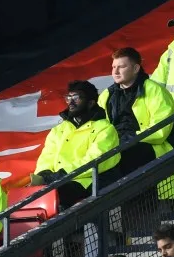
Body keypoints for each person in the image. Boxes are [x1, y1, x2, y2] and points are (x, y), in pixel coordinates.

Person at [97, 47, 174, 188]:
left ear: (136, 68)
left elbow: (160, 131)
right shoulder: (106, 95)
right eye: (113, 67)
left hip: (146, 146)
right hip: (116, 146)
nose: (115, 71)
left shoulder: (155, 90)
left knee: (126, 158)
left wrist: (131, 137)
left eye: (122, 66)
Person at [32, 79, 119, 209]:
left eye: (76, 98)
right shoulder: (59, 129)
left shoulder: (105, 128)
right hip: (57, 181)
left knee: (56, 195)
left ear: (91, 103)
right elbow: (47, 156)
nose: (71, 102)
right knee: (28, 195)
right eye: (69, 97)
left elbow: (95, 160)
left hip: (84, 181)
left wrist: (61, 175)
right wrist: (44, 174)